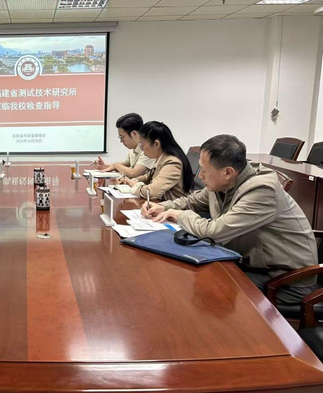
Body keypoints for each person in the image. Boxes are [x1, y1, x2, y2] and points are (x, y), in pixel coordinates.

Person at [143, 134, 318, 305]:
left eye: (204, 171)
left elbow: (214, 232)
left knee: (212, 290)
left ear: (227, 172)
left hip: (285, 280)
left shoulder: (261, 190)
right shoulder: (226, 181)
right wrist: (164, 206)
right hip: (253, 264)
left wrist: (179, 215)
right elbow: (193, 201)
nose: (200, 176)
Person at [118, 121, 193, 200]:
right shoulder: (162, 158)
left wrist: (134, 184)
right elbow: (148, 177)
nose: (142, 150)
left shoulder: (172, 163)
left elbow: (151, 192)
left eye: (142, 145)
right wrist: (134, 180)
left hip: (173, 206)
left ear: (156, 144)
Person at [93, 113, 155, 178]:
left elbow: (133, 173)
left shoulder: (148, 150)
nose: (121, 141)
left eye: (122, 137)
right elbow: (123, 166)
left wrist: (116, 165)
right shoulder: (133, 150)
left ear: (134, 134)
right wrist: (104, 166)